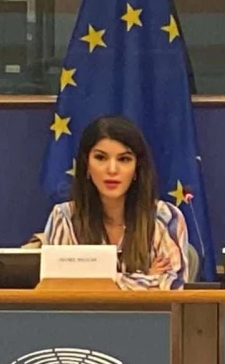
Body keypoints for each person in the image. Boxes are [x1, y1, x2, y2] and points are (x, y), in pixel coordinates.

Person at [42, 115, 189, 290]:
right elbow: (57, 289)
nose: (112, 170)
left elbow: (173, 288)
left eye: (124, 159)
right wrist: (146, 279)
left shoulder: (165, 217)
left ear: (137, 168)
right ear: (87, 165)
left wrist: (96, 282)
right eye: (101, 158)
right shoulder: (64, 218)